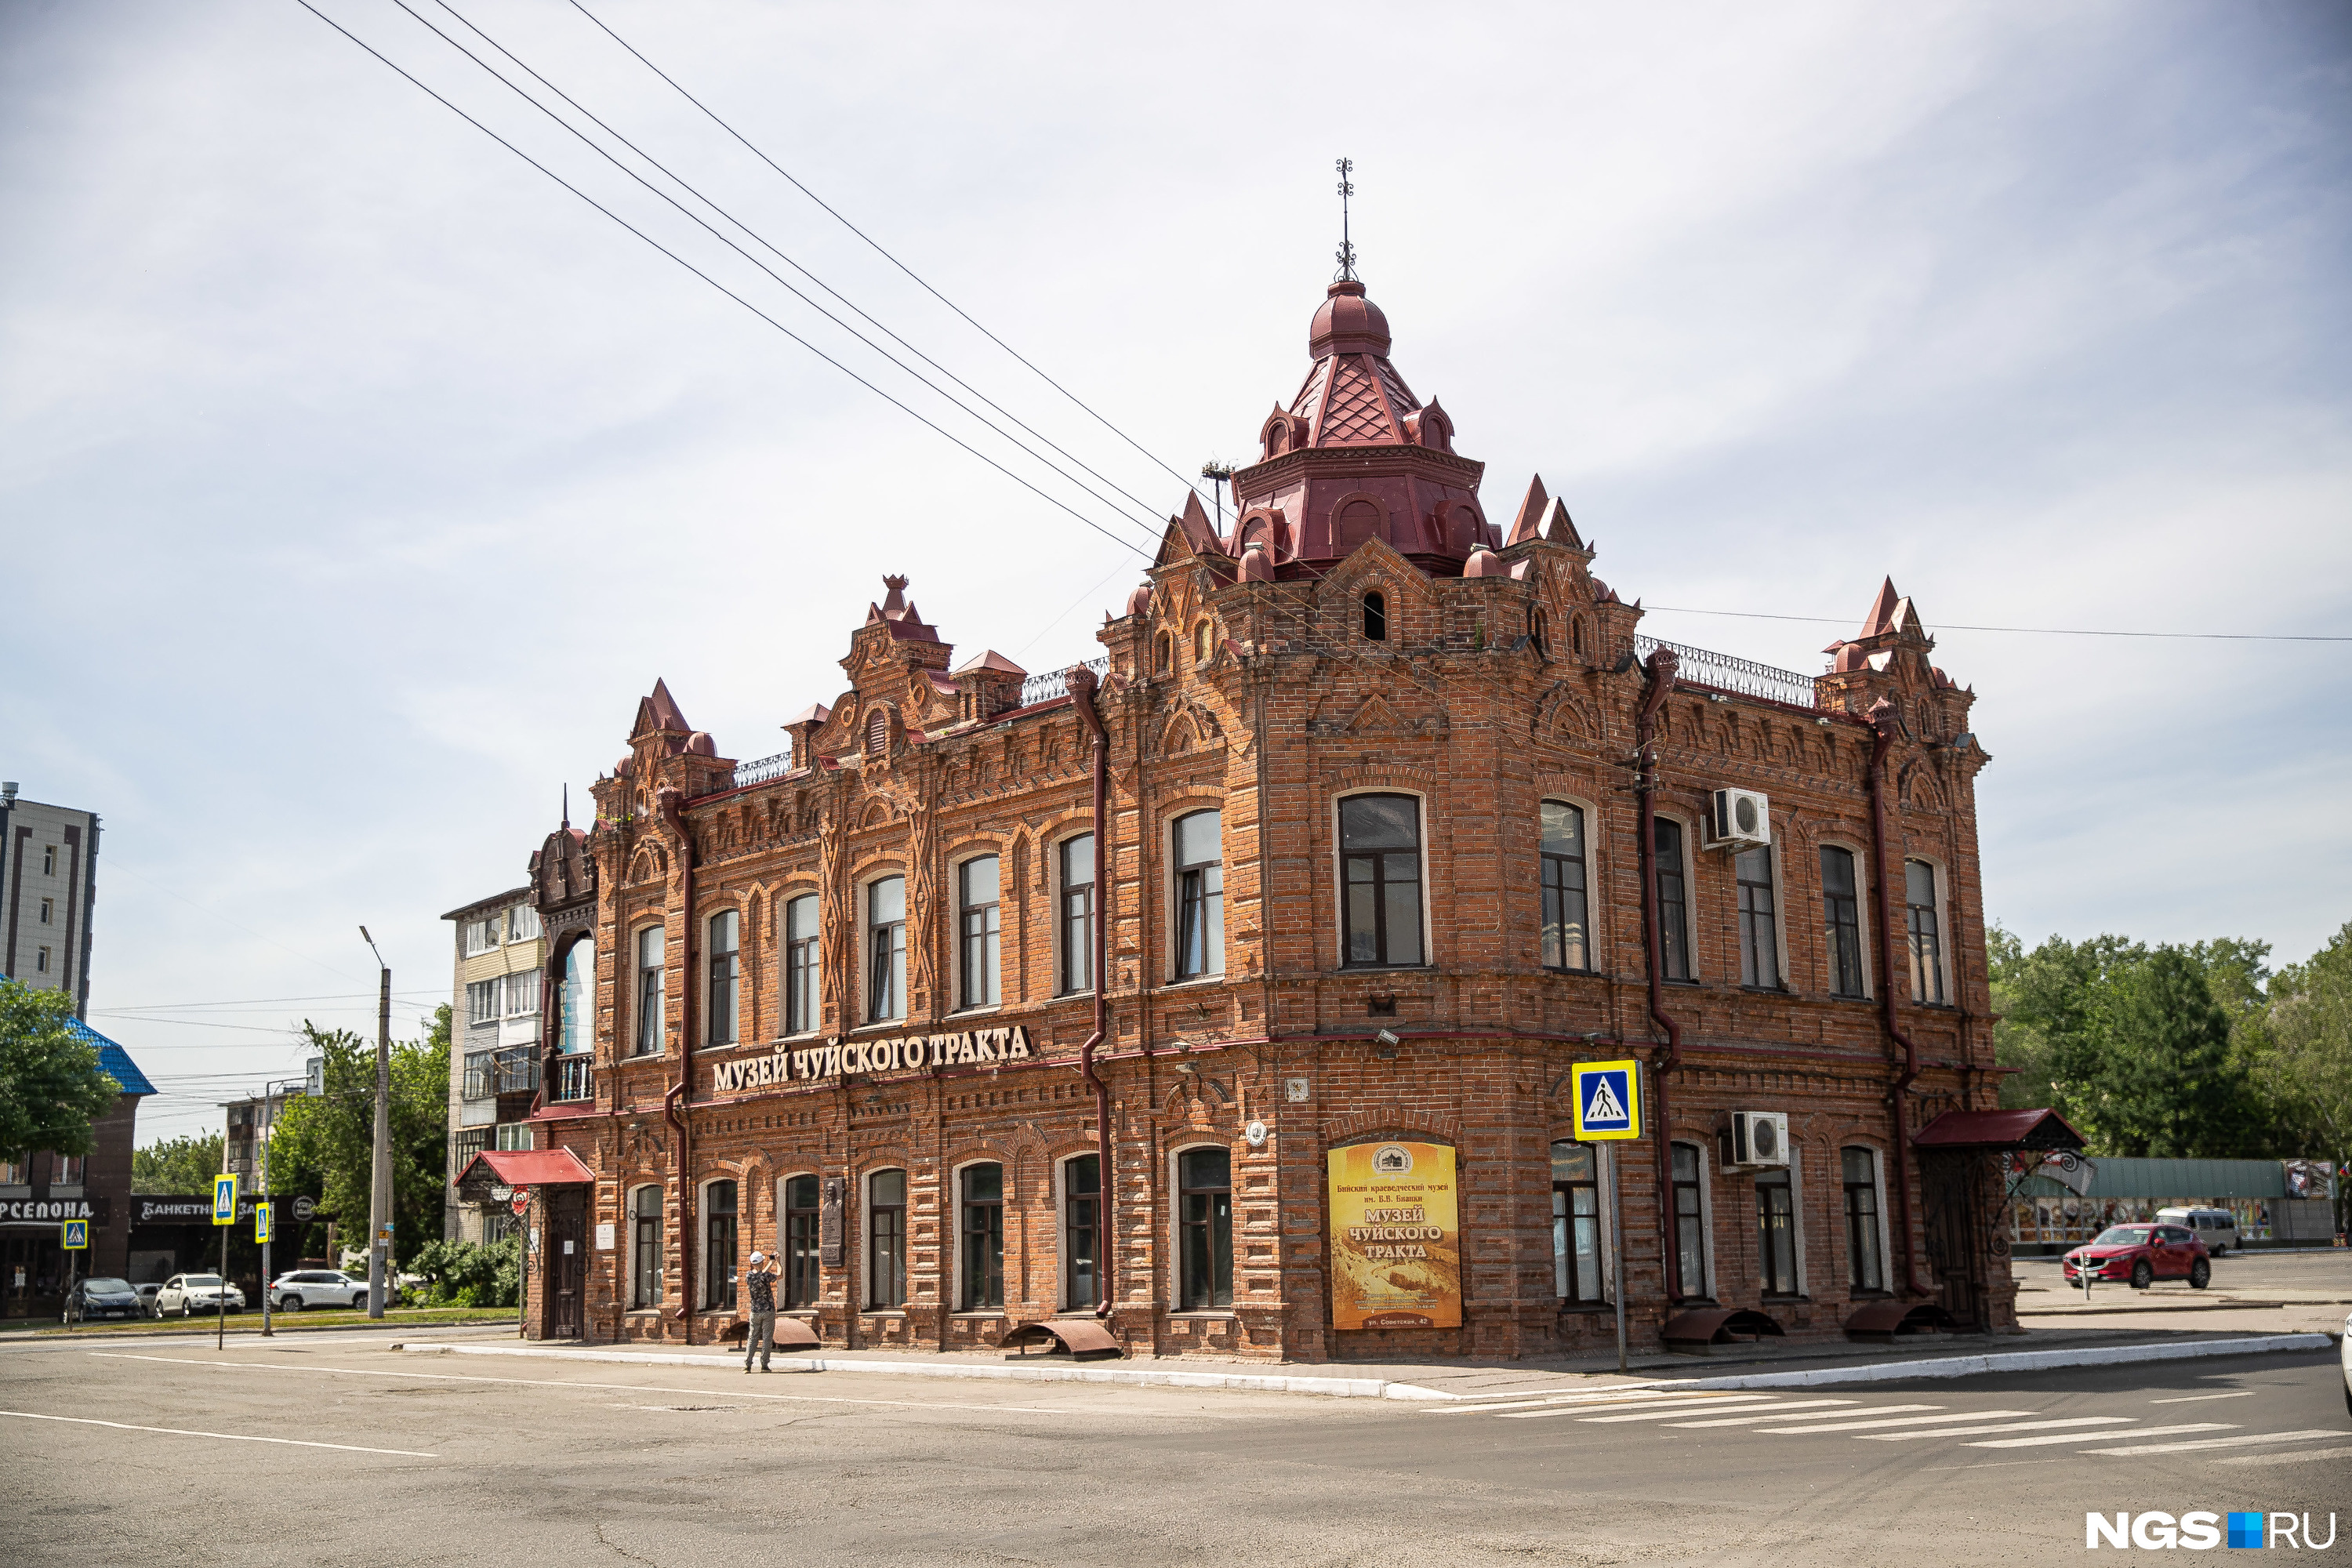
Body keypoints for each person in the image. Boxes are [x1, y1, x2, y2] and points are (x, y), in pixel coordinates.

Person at [743, 1249, 779, 1373]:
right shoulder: (766, 1275)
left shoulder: (748, 1276)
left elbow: (760, 1273)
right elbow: (780, 1275)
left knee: (752, 1338)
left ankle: (747, 1365)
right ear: (761, 1262)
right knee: (767, 1338)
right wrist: (777, 1262)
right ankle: (764, 1365)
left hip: (754, 1311)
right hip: (768, 1310)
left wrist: (770, 1263)